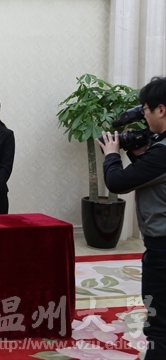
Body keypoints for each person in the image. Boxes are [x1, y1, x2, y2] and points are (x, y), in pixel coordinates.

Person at [97, 76, 166, 360]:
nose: (144, 116)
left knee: (159, 325)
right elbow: (153, 176)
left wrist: (112, 154)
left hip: (162, 250)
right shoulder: (160, 149)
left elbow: (118, 183)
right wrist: (139, 155)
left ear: (161, 109)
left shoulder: (162, 152)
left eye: (145, 109)